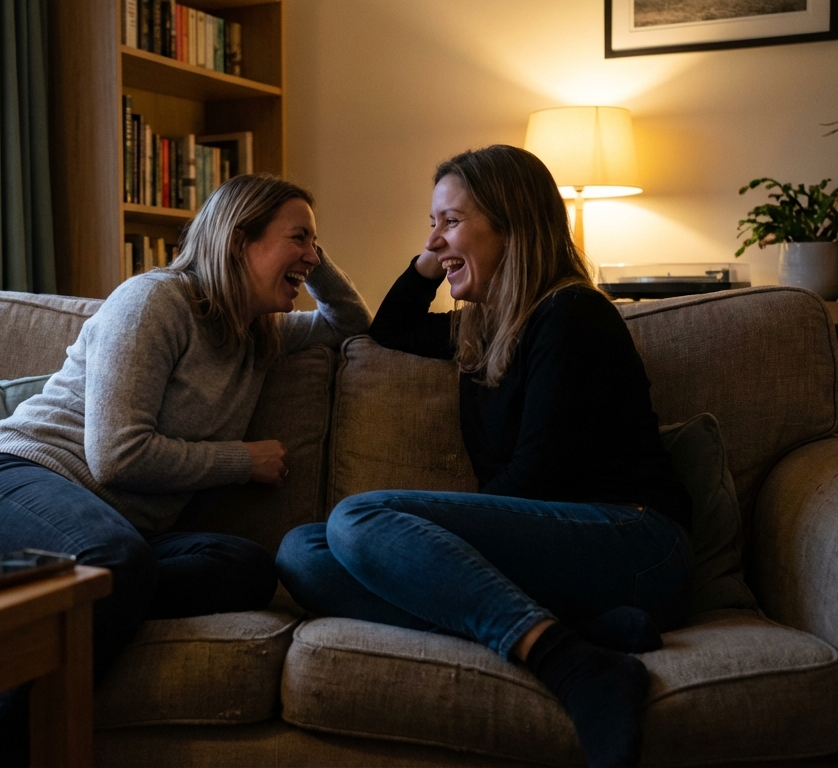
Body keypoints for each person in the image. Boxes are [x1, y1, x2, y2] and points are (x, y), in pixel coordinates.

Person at [275, 145, 692, 768]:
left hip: (633, 541)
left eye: (451, 221)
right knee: (302, 553)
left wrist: (423, 535)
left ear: (513, 224)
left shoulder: (572, 314)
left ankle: (574, 666)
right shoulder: (481, 331)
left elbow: (539, 480)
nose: (436, 240)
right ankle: (575, 630)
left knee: (360, 521)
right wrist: (434, 255)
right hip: (561, 563)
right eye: (433, 224)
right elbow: (387, 329)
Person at [0, 174, 371, 767]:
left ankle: (62, 603)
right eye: (297, 238)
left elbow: (351, 321)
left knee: (246, 566)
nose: (311, 254)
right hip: (15, 484)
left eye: (315, 243)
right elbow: (116, 454)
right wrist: (240, 462)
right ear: (238, 241)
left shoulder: (259, 336)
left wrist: (309, 259)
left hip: (116, 532)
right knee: (115, 561)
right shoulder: (154, 300)